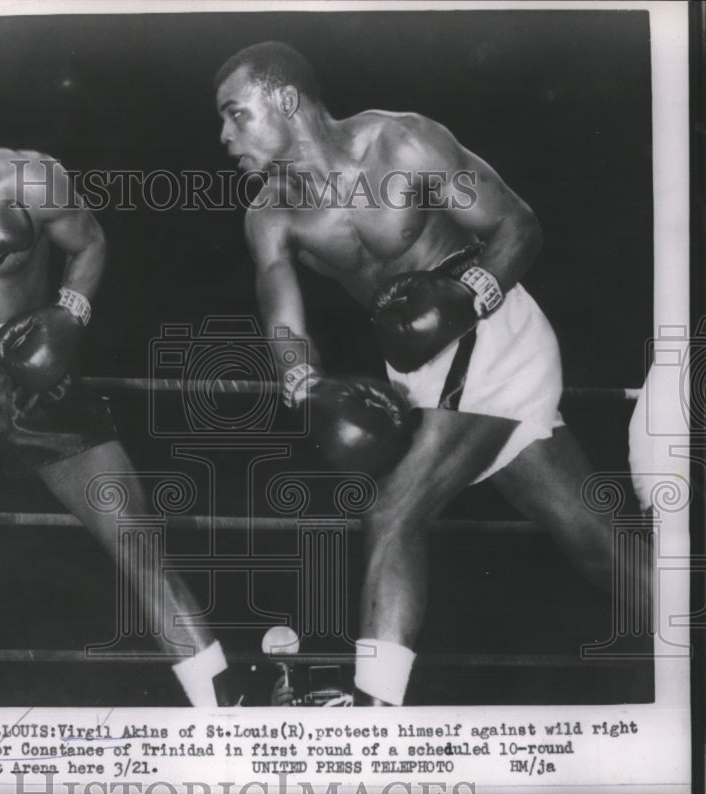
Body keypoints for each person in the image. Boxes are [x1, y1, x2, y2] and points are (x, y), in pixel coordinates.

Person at [214, 42, 646, 705]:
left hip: (487, 331)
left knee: (393, 510)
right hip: (417, 366)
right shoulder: (269, 214)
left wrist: (467, 297)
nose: (225, 136)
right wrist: (301, 375)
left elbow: (517, 227)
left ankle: (374, 709)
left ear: (286, 101)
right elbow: (283, 318)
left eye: (236, 114)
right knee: (598, 547)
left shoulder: (403, 142)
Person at [0, 73, 231, 707]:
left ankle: (227, 716)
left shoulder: (30, 177)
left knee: (137, 535)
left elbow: (90, 243)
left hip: (43, 370)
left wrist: (71, 313)